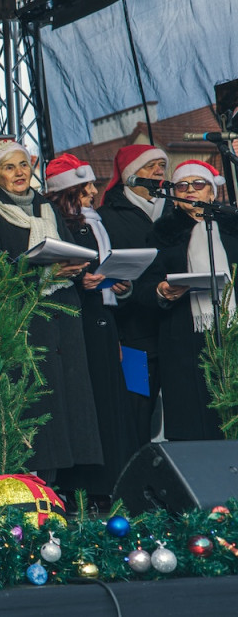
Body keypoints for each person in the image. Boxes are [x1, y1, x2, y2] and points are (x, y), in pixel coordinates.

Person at [0, 140, 103, 482]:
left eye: (24, 165)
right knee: (37, 401)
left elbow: (69, 246)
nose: (19, 173)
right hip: (22, 317)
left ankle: (68, 485)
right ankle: (36, 485)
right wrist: (43, 274)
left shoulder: (47, 207)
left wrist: (83, 273)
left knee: (70, 397)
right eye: (10, 167)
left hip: (63, 311)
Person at [43, 154, 141, 506]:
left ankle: (110, 481)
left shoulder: (97, 223)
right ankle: (83, 485)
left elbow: (110, 268)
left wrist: (120, 285)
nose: (94, 191)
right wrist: (83, 279)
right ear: (70, 189)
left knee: (110, 399)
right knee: (85, 402)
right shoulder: (62, 225)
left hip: (104, 320)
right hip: (77, 321)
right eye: (87, 186)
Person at [138, 160, 237, 441]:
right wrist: (160, 291)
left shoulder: (233, 230)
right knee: (195, 421)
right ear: (175, 195)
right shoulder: (162, 235)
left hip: (232, 334)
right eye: (182, 185)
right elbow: (143, 287)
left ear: (212, 193)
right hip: (184, 340)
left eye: (198, 184)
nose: (190, 190)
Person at [98, 144, 171, 443]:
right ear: (130, 174)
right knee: (136, 412)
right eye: (149, 165)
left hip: (171, 333)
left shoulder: (173, 211)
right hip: (132, 337)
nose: (158, 170)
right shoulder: (107, 217)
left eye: (161, 165)